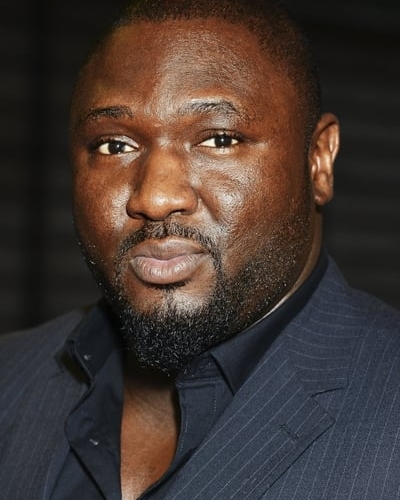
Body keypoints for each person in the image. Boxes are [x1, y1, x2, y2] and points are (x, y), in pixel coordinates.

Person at [1, 0, 399, 498]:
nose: (154, 197)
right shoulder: (9, 375)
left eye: (219, 140)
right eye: (114, 146)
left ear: (318, 160)